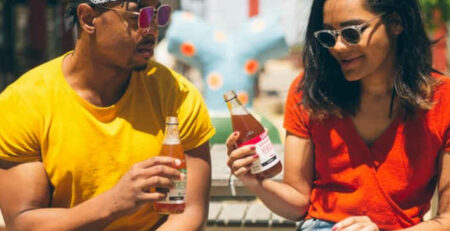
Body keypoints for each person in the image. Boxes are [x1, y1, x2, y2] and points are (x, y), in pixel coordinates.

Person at [225, 0, 450, 230]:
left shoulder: (443, 99)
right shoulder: (309, 93)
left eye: (351, 32)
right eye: (328, 37)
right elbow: (297, 202)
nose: (338, 47)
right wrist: (256, 183)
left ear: (395, 22)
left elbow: (447, 218)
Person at [0, 0, 215, 230]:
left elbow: (189, 211)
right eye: (138, 14)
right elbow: (24, 223)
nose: (152, 28)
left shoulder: (177, 95)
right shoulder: (24, 103)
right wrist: (113, 203)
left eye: (157, 14)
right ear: (88, 18)